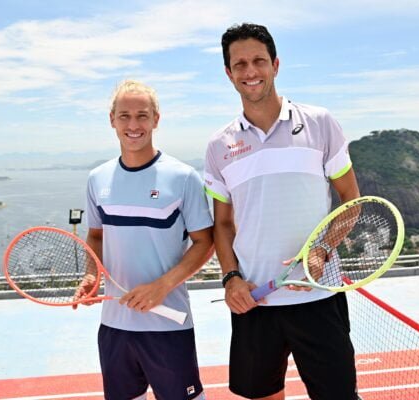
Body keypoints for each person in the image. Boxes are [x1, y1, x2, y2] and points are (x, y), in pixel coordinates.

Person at [204, 23, 361, 400]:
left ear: (275, 64)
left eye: (259, 60)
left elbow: (351, 200)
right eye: (239, 64)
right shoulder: (218, 146)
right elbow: (222, 225)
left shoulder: (321, 123)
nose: (250, 71)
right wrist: (231, 279)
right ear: (229, 73)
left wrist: (321, 250)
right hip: (255, 301)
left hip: (318, 296)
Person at [82, 79, 213, 400]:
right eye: (124, 116)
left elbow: (205, 242)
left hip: (168, 326)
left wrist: (161, 287)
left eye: (142, 115)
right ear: (111, 119)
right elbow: (96, 235)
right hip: (114, 326)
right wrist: (90, 273)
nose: (133, 125)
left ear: (156, 119)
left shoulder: (183, 177)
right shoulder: (97, 179)